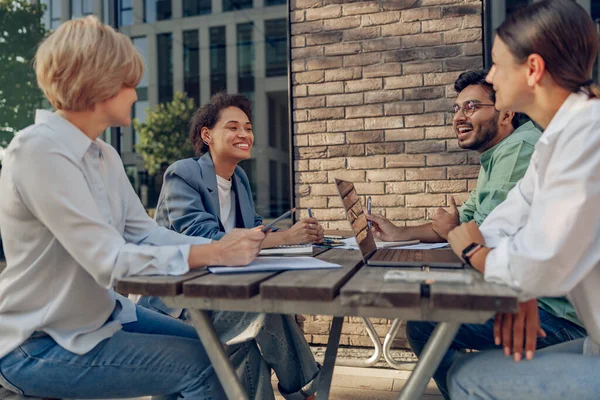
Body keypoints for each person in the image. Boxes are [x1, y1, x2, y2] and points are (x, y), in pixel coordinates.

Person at [0, 16, 267, 399]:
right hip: (38, 341)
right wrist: (213, 251)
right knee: (201, 368)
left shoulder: (103, 155)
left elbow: (143, 231)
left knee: (210, 353)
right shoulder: (38, 150)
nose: (135, 95)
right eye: (128, 84)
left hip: (102, 317)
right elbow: (108, 260)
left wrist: (222, 253)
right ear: (99, 82)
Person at [368, 69, 586, 399]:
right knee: (432, 327)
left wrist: (464, 238)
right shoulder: (500, 156)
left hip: (559, 318)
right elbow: (473, 227)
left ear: (507, 112)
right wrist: (399, 232)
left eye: (470, 106)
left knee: (427, 325)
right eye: (456, 109)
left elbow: (478, 236)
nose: (459, 117)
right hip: (534, 297)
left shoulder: (523, 148)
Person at [444, 1, 600, 399]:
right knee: (467, 368)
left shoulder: (589, 134)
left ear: (532, 69)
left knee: (469, 378)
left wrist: (476, 253)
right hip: (594, 343)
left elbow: (538, 260)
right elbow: (505, 221)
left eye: (497, 64)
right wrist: (518, 284)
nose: (492, 76)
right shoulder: (558, 137)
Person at [138, 92, 323, 400]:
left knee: (244, 345)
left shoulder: (239, 180)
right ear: (207, 134)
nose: (244, 134)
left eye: (248, 128)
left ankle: (303, 391)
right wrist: (281, 238)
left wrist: (292, 234)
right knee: (264, 309)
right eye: (233, 127)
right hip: (180, 304)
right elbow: (205, 236)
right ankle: (306, 391)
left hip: (220, 297)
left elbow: (253, 230)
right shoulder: (183, 173)